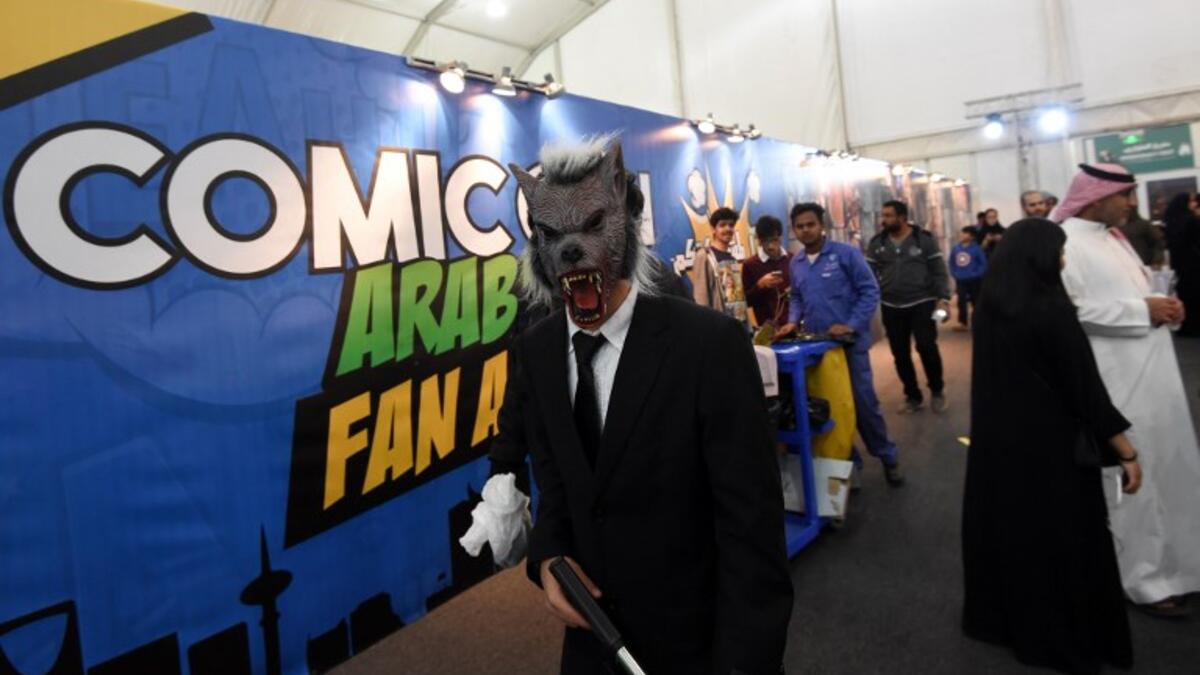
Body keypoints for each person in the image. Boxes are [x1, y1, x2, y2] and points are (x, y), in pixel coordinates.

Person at [506, 137, 792, 674]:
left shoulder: (710, 346)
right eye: (552, 234)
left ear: (627, 219)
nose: (571, 248)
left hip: (698, 646)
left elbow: (751, 529)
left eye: (593, 224)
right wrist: (548, 559)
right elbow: (557, 486)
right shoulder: (539, 351)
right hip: (593, 646)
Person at [963, 218, 1142, 674]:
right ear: (1040, 255)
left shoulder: (990, 309)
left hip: (1000, 448)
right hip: (1052, 450)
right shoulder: (1051, 309)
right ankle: (1063, 637)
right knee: (1064, 542)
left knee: (1013, 538)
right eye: (1059, 250)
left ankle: (1010, 625)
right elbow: (1085, 389)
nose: (1063, 259)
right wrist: (1125, 450)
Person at [1054, 162, 1200, 617]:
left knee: (1172, 465)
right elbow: (1069, 311)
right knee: (1133, 477)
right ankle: (1144, 579)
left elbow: (1135, 295)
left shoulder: (1111, 236)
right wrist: (1142, 310)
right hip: (1118, 380)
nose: (1130, 204)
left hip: (1157, 375)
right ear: (1096, 196)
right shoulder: (1066, 243)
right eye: (1124, 196)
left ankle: (1184, 566)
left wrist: (1163, 307)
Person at [779, 203, 904, 486]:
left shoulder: (845, 254)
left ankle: (888, 456)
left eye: (810, 224)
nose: (805, 230)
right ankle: (849, 467)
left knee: (863, 406)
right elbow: (796, 297)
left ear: (822, 225)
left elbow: (869, 291)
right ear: (794, 230)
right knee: (830, 409)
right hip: (817, 350)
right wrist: (792, 321)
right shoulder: (796, 263)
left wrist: (851, 324)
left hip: (849, 345)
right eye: (800, 226)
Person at [866, 200, 952, 413]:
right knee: (899, 352)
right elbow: (867, 274)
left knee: (926, 346)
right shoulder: (878, 243)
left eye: (888, 215)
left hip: (922, 302)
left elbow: (938, 271)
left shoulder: (923, 240)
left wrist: (944, 299)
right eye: (882, 215)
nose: (883, 219)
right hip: (891, 305)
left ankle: (937, 390)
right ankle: (913, 396)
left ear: (902, 217)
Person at [690, 206, 743, 315]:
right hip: (717, 322)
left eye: (731, 225)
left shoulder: (733, 259)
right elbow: (701, 296)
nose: (728, 229)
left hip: (736, 321)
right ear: (714, 229)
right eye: (722, 225)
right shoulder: (704, 255)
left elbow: (736, 296)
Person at [741, 215, 791, 327]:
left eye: (774, 240)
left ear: (781, 237)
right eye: (765, 241)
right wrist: (760, 285)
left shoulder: (792, 259)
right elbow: (745, 302)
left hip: (794, 325)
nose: (770, 246)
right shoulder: (750, 265)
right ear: (759, 241)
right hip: (767, 329)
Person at [1163, 192, 1199, 336]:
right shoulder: (1191, 220)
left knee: (1185, 295)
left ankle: (1187, 326)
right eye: (1191, 201)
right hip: (1195, 265)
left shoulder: (1171, 221)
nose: (1194, 204)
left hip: (1180, 266)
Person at [949, 226, 987, 331]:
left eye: (965, 233)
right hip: (961, 280)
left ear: (972, 236)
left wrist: (977, 274)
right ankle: (962, 322)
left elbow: (983, 264)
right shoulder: (956, 248)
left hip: (975, 280)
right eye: (962, 233)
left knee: (976, 301)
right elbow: (952, 262)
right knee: (961, 301)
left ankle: (979, 321)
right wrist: (954, 273)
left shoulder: (977, 249)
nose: (962, 235)